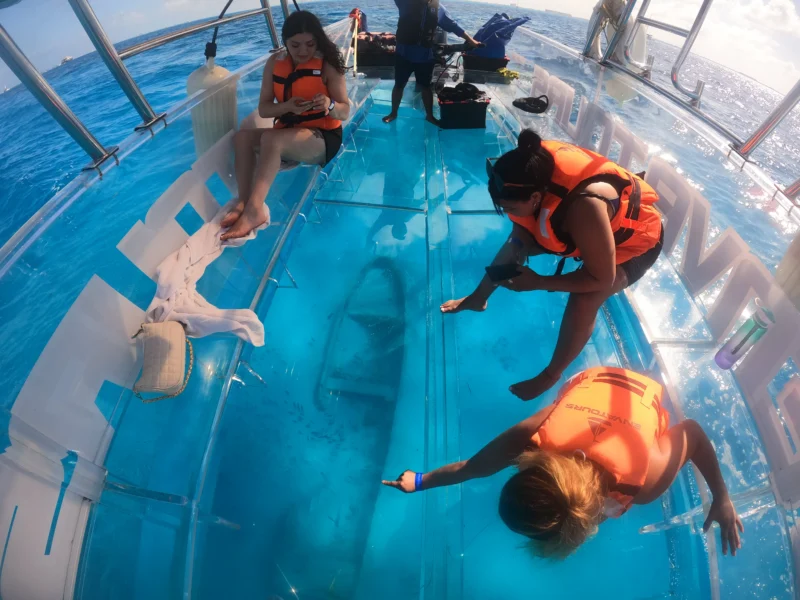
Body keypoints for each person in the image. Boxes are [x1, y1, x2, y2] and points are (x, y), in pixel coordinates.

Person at [382, 367, 744, 558]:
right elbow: (472, 467)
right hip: (594, 382)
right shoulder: (534, 435)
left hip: (636, 393)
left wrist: (722, 497)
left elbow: (691, 432)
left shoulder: (646, 482)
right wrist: (420, 480)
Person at [441, 129, 664, 401]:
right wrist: (519, 245)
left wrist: (538, 282)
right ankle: (478, 299)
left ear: (535, 198)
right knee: (515, 244)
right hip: (582, 227)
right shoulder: (527, 166)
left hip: (636, 243)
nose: (508, 214)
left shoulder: (586, 208)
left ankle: (550, 376)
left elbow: (601, 279)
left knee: (586, 297)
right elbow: (522, 230)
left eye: (510, 208)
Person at [221, 11, 351, 240]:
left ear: (318, 41)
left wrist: (329, 105)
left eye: (310, 44)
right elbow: (264, 109)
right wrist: (287, 106)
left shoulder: (328, 65)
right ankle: (243, 202)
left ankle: (255, 211)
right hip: (289, 134)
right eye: (295, 45)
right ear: (286, 43)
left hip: (323, 138)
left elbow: (345, 111)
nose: (303, 51)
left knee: (271, 139)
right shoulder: (275, 63)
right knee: (241, 138)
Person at [382, 0, 479, 125]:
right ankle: (393, 113)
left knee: (426, 87)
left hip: (424, 57)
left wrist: (472, 41)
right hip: (403, 54)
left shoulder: (439, 9)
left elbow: (454, 26)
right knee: (399, 85)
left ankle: (429, 116)